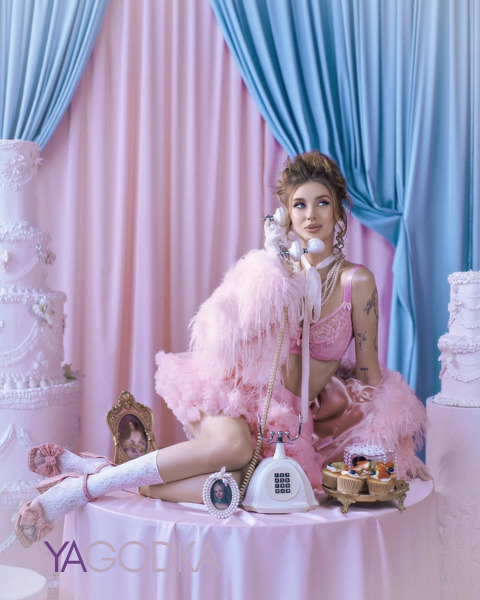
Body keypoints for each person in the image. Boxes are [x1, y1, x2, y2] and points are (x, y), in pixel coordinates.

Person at [15, 151, 427, 548]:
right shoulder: (270, 271)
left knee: (245, 489)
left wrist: (396, 438)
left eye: (322, 202)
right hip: (235, 396)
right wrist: (273, 272)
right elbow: (224, 335)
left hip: (290, 420)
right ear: (285, 214)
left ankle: (107, 472)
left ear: (338, 210)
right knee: (237, 449)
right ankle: (82, 490)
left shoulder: (357, 282)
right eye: (299, 205)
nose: (311, 215)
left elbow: (369, 373)